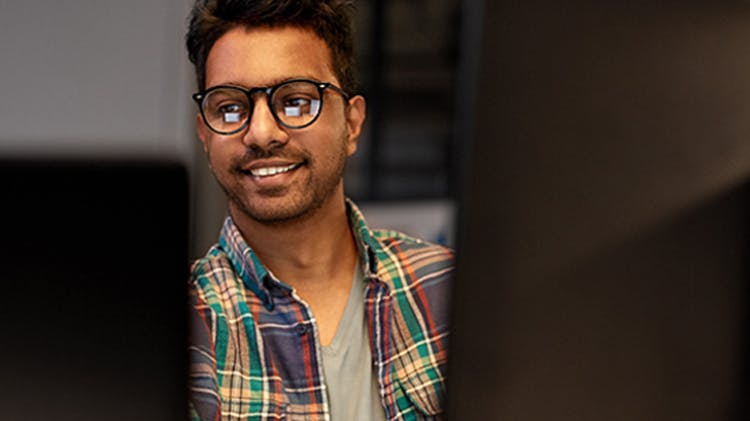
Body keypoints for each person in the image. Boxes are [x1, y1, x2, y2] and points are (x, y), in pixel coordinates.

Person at [185, 1, 454, 419]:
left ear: (351, 123)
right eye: (230, 108)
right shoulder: (181, 328)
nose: (261, 133)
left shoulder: (449, 290)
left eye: (295, 102)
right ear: (204, 134)